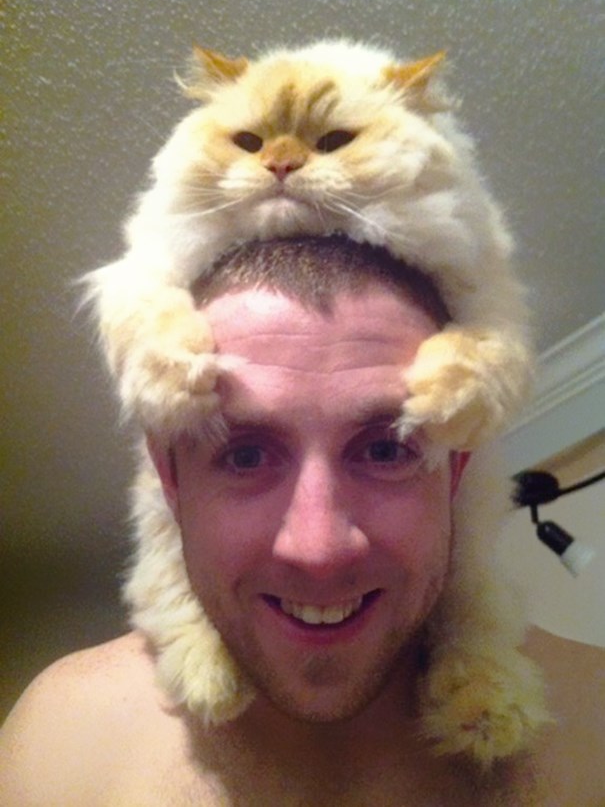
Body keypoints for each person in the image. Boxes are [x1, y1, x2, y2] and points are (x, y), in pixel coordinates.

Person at [0, 237, 603, 806]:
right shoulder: (61, 740)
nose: (318, 550)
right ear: (172, 480)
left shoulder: (594, 723)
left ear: (454, 474)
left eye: (386, 449)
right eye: (245, 456)